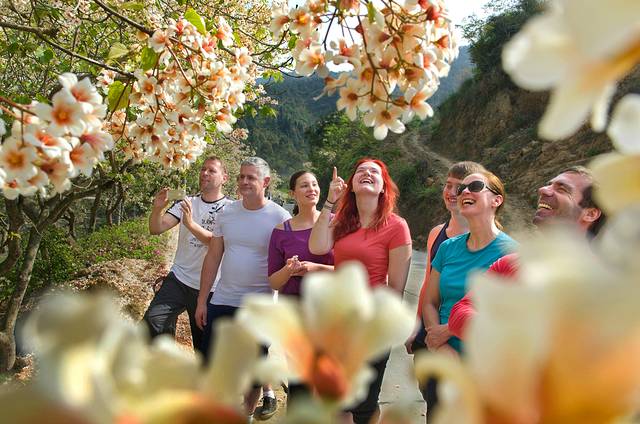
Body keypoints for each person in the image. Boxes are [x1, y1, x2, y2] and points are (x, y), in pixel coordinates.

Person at [448, 165, 605, 339]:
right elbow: (460, 312)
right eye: (549, 184)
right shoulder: (509, 263)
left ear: (590, 214)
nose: (543, 189)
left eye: (562, 189)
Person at [309, 159, 412, 424]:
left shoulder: (396, 226)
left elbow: (396, 287)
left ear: (383, 187)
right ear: (351, 186)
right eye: (360, 171)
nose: (367, 173)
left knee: (363, 404)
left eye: (374, 172)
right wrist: (329, 202)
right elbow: (317, 247)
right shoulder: (342, 222)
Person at [195, 157, 290, 420]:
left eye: (251, 177)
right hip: (222, 299)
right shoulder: (227, 213)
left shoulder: (280, 218)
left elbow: (287, 266)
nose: (244, 182)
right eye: (241, 177)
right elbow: (213, 256)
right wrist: (202, 300)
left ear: (266, 182)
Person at [403, 161, 485, 420]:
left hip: (465, 339)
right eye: (448, 185)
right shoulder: (437, 234)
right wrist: (417, 326)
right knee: (431, 399)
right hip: (430, 330)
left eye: (460, 187)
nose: (452, 192)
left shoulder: (488, 241)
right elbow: (428, 284)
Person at [422, 169, 516, 354]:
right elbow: (430, 302)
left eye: (475, 186)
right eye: (461, 189)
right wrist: (439, 344)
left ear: (496, 200)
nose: (464, 191)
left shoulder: (512, 253)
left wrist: (447, 331)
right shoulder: (447, 247)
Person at [144, 156, 231, 354]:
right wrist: (157, 209)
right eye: (203, 169)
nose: (205, 173)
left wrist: (190, 224)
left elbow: (217, 244)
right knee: (153, 321)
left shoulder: (230, 209)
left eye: (211, 170)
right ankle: (167, 361)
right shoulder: (186, 202)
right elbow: (156, 228)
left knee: (204, 347)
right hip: (179, 279)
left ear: (224, 178)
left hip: (210, 287)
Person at [267, 170, 335, 407]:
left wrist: (316, 268)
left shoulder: (336, 223)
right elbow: (274, 282)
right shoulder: (280, 231)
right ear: (292, 193)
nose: (311, 189)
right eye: (304, 185)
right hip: (293, 309)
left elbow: (350, 269)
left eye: (314, 184)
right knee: (300, 381)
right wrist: (288, 270)